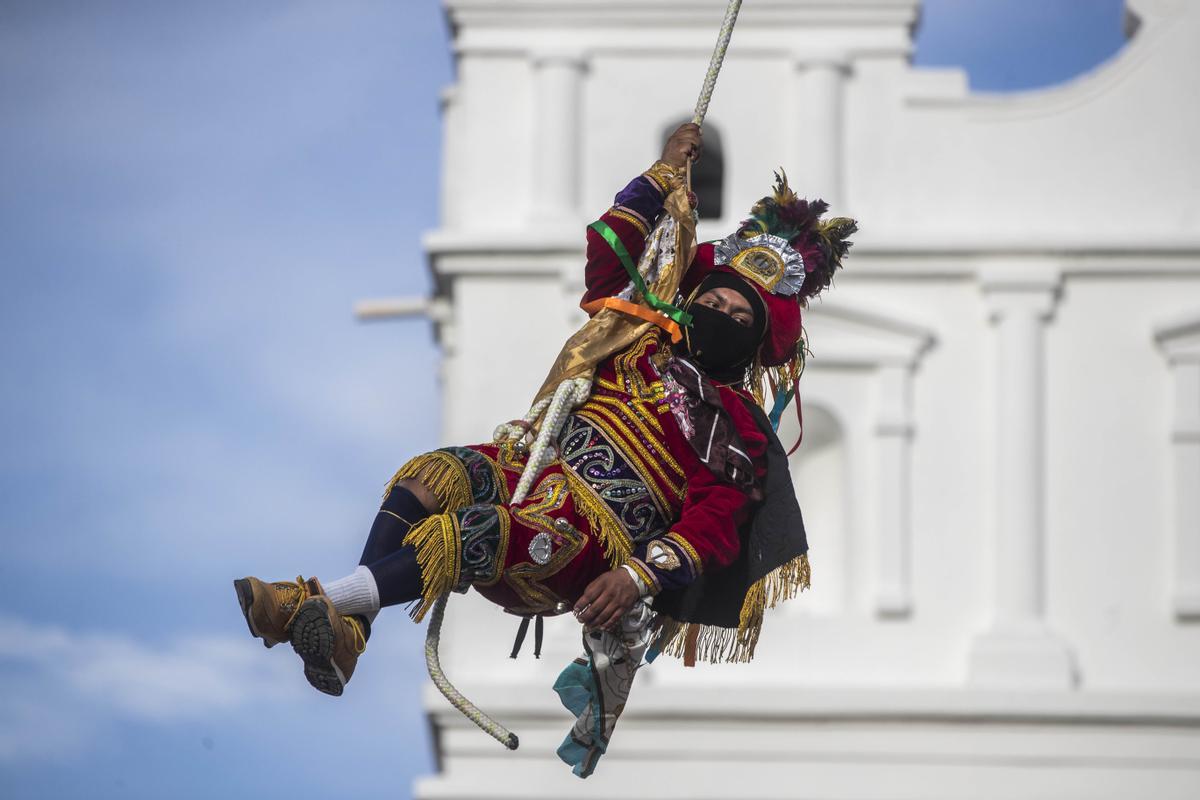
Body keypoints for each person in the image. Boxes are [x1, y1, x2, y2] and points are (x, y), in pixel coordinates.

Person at [234, 123, 856, 776]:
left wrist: (638, 575)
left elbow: (715, 521)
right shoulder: (636, 336)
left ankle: (325, 603)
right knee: (432, 475)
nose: (721, 314)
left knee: (474, 531)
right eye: (714, 300)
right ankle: (348, 632)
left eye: (739, 317)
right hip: (532, 466)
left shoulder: (736, 426)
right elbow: (609, 257)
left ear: (756, 343)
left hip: (589, 538)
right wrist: (661, 176)